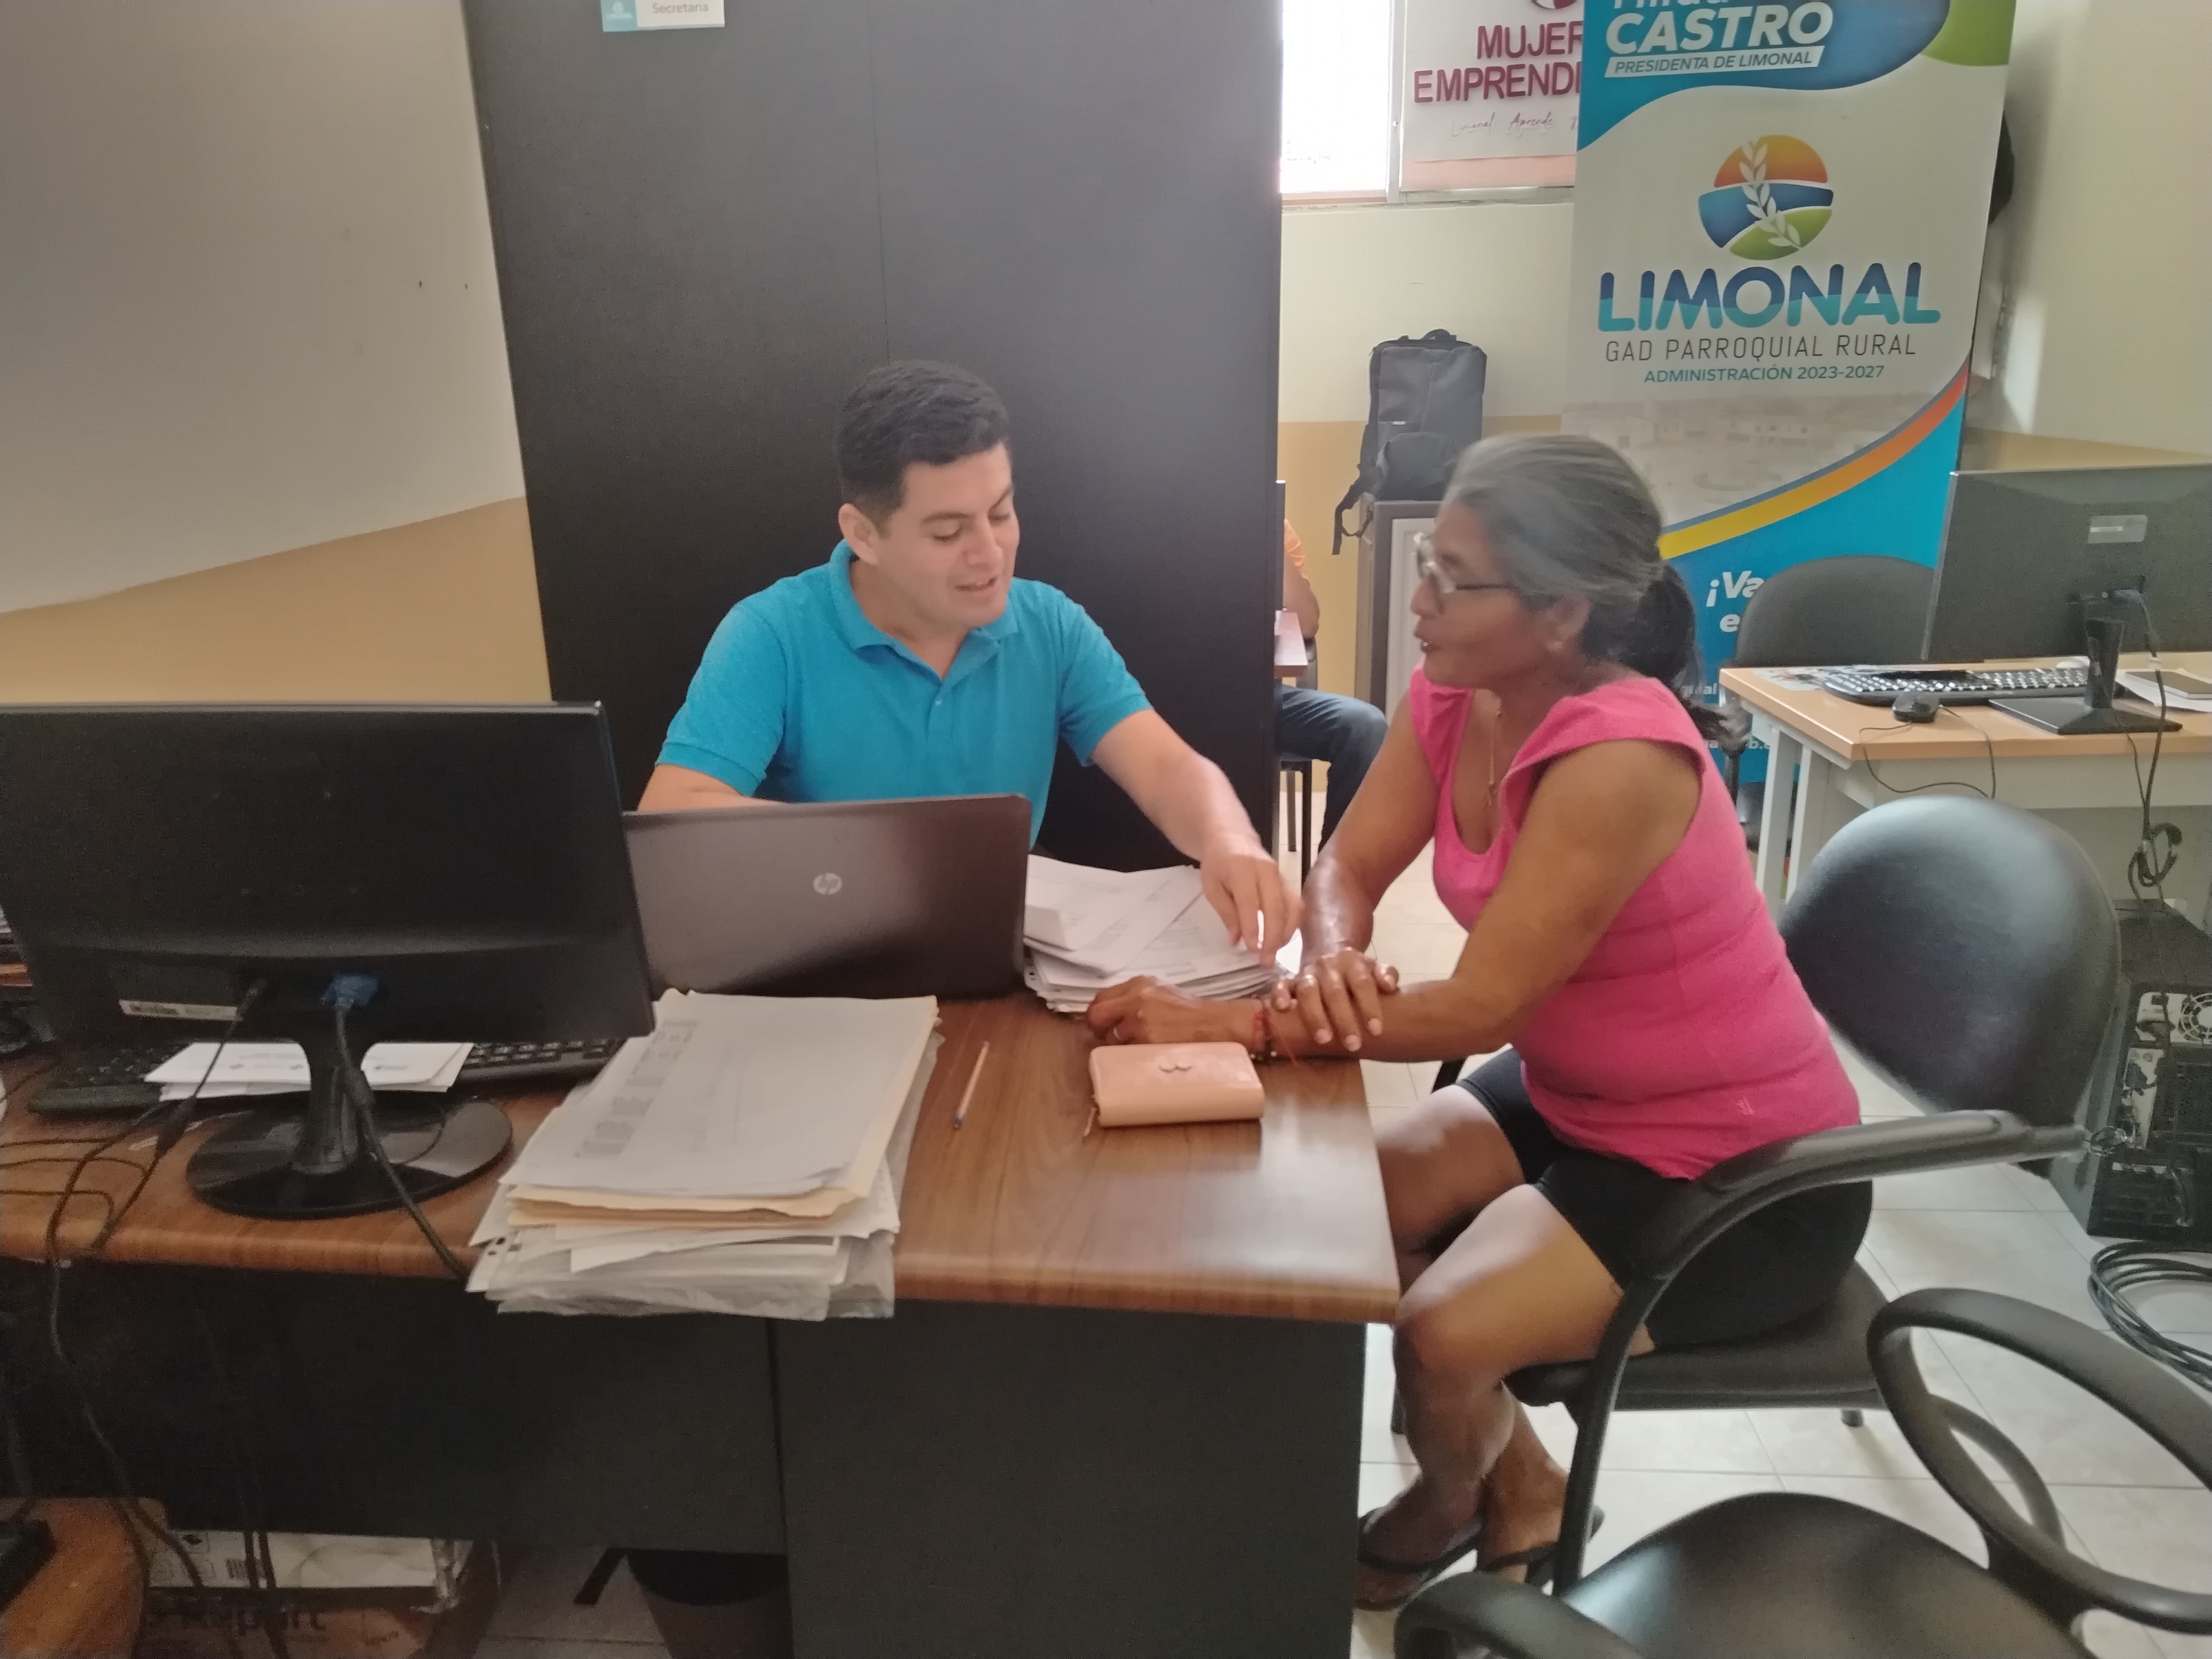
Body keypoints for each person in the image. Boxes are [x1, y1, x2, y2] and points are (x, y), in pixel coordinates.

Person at [1084, 434, 1868, 1605]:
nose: (1419, 600)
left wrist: (1239, 1028)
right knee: (1345, 1211)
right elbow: (1349, 862)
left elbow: (1485, 1002)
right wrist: (1334, 968)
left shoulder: (1618, 758)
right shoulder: (1457, 693)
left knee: (1442, 1335)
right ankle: (1527, 1484)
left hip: (1739, 1166)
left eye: (1454, 579)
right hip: (1578, 1094)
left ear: (1560, 613)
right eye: (1428, 566)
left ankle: (1452, 1503)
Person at [641, 360, 1297, 954]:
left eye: (1001, 514)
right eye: (948, 532)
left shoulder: (1049, 624)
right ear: (864, 534)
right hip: (825, 960)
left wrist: (1228, 838)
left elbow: (1163, 766)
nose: (988, 553)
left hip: (1000, 957)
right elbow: (674, 813)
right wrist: (887, 855)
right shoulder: (773, 633)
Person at [1276, 520, 1389, 847]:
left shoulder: (1275, 525)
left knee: (1365, 726)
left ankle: (1333, 872)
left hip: (1258, 700)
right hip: (1160, 703)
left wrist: (1265, 528)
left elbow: (1306, 623)